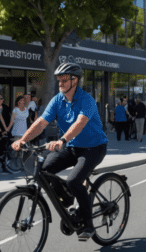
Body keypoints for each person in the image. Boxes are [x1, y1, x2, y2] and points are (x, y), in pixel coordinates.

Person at [12, 63, 108, 241]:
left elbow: (79, 123)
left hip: (93, 147)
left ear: (75, 80)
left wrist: (61, 140)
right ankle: (69, 198)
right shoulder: (58, 100)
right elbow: (41, 123)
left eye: (64, 80)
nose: (61, 83)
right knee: (44, 171)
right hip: (72, 147)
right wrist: (23, 140)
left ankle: (88, 224)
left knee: (74, 180)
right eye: (59, 80)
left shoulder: (86, 100)